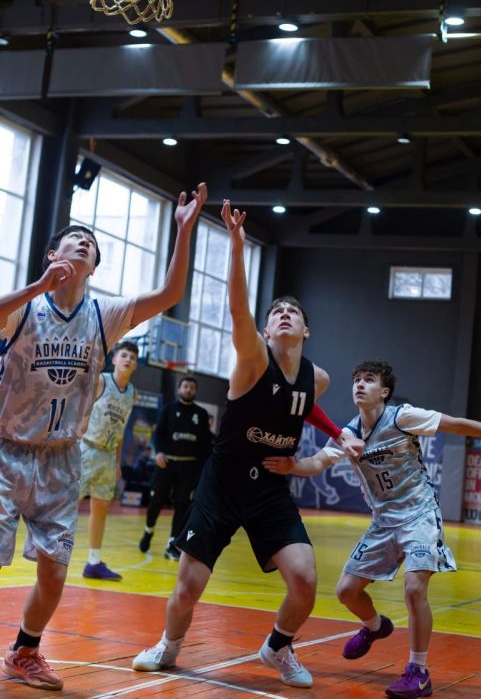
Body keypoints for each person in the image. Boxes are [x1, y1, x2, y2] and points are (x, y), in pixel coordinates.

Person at [132, 199, 364, 688]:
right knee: (189, 585)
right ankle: (168, 646)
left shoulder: (318, 378)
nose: (284, 315)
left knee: (305, 580)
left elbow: (304, 405)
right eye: (276, 312)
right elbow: (238, 306)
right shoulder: (252, 358)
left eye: (293, 312)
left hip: (270, 489)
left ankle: (278, 647)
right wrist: (237, 244)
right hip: (223, 483)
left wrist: (337, 433)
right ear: (264, 329)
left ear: (306, 330)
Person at [0, 182, 207, 691]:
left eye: (91, 243)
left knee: (54, 572)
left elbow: (170, 295)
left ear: (93, 266)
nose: (85, 242)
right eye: (75, 238)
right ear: (53, 255)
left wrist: (184, 232)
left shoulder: (102, 314)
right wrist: (35, 286)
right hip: (6, 451)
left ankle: (25, 652)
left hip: (62, 458)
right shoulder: (26, 307)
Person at [262, 359, 481, 699]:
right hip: (383, 521)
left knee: (414, 588)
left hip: (419, 514)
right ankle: (375, 626)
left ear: (384, 391)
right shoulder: (347, 434)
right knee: (346, 591)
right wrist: (291, 465)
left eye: (369, 380)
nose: (360, 384)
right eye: (356, 379)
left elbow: (454, 424)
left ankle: (418, 672)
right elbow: (317, 462)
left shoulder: (402, 417)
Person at [79, 340, 139, 581]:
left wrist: (117, 462)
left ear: (135, 365)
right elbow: (79, 408)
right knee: (67, 505)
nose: (128, 360)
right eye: (124, 355)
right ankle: (50, 553)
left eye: (132, 357)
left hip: (108, 455)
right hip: (86, 448)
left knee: (101, 508)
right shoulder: (102, 381)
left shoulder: (132, 393)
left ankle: (93, 562)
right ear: (114, 359)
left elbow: (121, 430)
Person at [138, 376, 212, 560]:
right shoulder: (168, 409)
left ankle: (172, 545)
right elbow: (158, 435)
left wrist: (201, 470)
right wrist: (159, 453)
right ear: (179, 389)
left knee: (182, 505)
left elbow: (206, 444)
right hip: (166, 463)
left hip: (188, 467)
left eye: (192, 387)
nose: (188, 390)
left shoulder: (201, 414)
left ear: (195, 391)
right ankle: (148, 531)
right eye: (185, 386)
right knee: (156, 501)